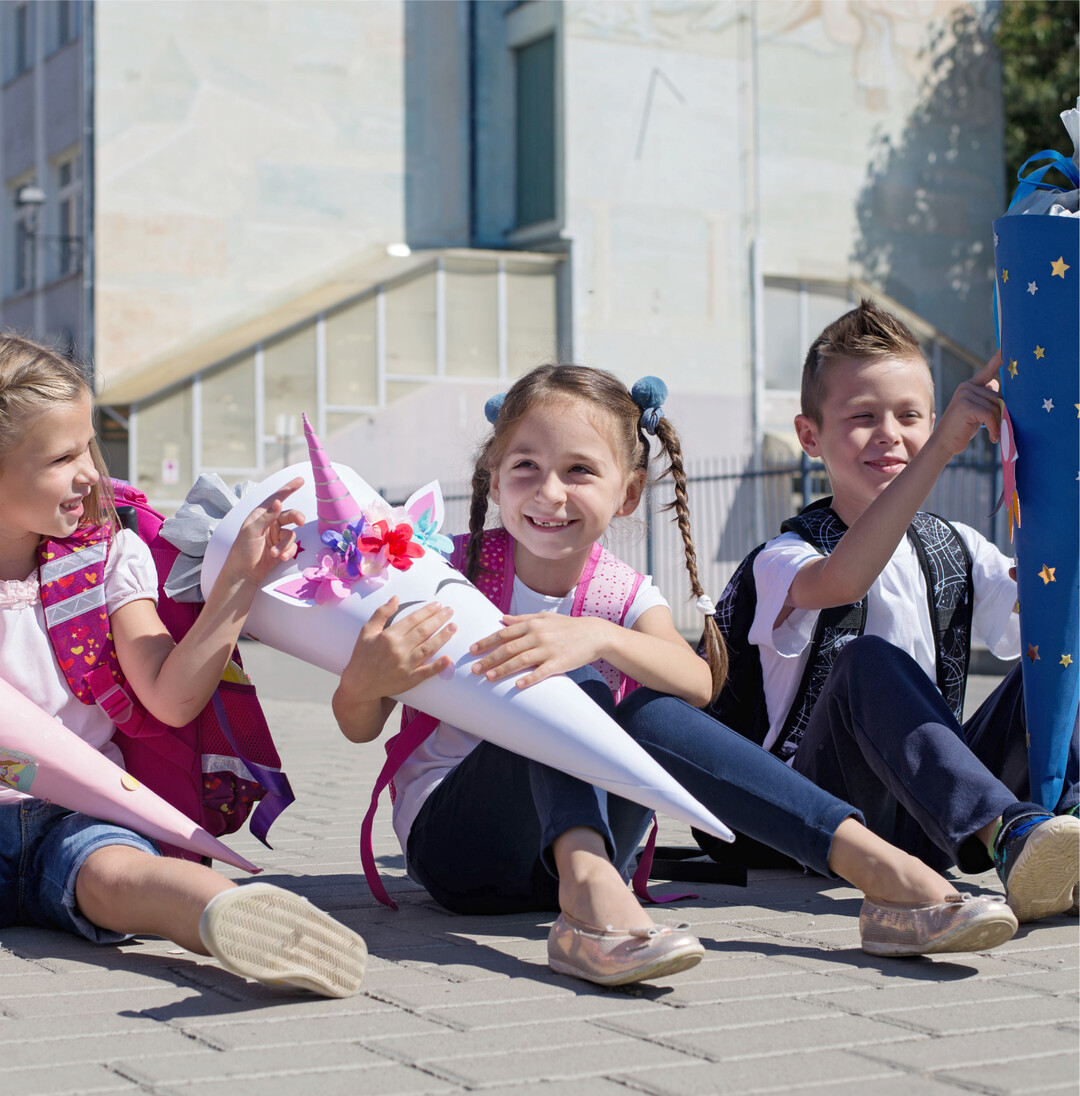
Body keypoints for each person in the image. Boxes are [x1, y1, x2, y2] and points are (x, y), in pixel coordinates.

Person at [333, 363, 1017, 987]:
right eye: (525, 467)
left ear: (628, 493)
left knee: (639, 706)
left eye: (578, 470)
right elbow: (358, 724)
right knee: (572, 686)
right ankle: (587, 896)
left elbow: (697, 684)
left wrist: (599, 634)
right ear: (493, 474)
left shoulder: (625, 593)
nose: (549, 493)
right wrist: (367, 678)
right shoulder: (443, 571)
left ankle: (874, 869)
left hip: (610, 838)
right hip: (463, 848)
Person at [0, 333, 366, 998]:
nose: (89, 470)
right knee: (111, 879)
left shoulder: (108, 560)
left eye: (87, 443)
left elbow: (169, 697)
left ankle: (232, 915)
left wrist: (236, 590)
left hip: (74, 812)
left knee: (121, 877)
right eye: (61, 456)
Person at [703, 300, 1078, 923]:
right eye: (862, 417)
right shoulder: (784, 556)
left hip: (934, 806)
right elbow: (846, 578)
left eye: (909, 416)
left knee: (1059, 661)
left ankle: (1056, 843)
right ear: (809, 436)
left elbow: (1048, 630)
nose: (889, 434)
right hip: (827, 812)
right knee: (866, 661)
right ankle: (1010, 836)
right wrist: (941, 452)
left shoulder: (956, 545)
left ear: (932, 420)